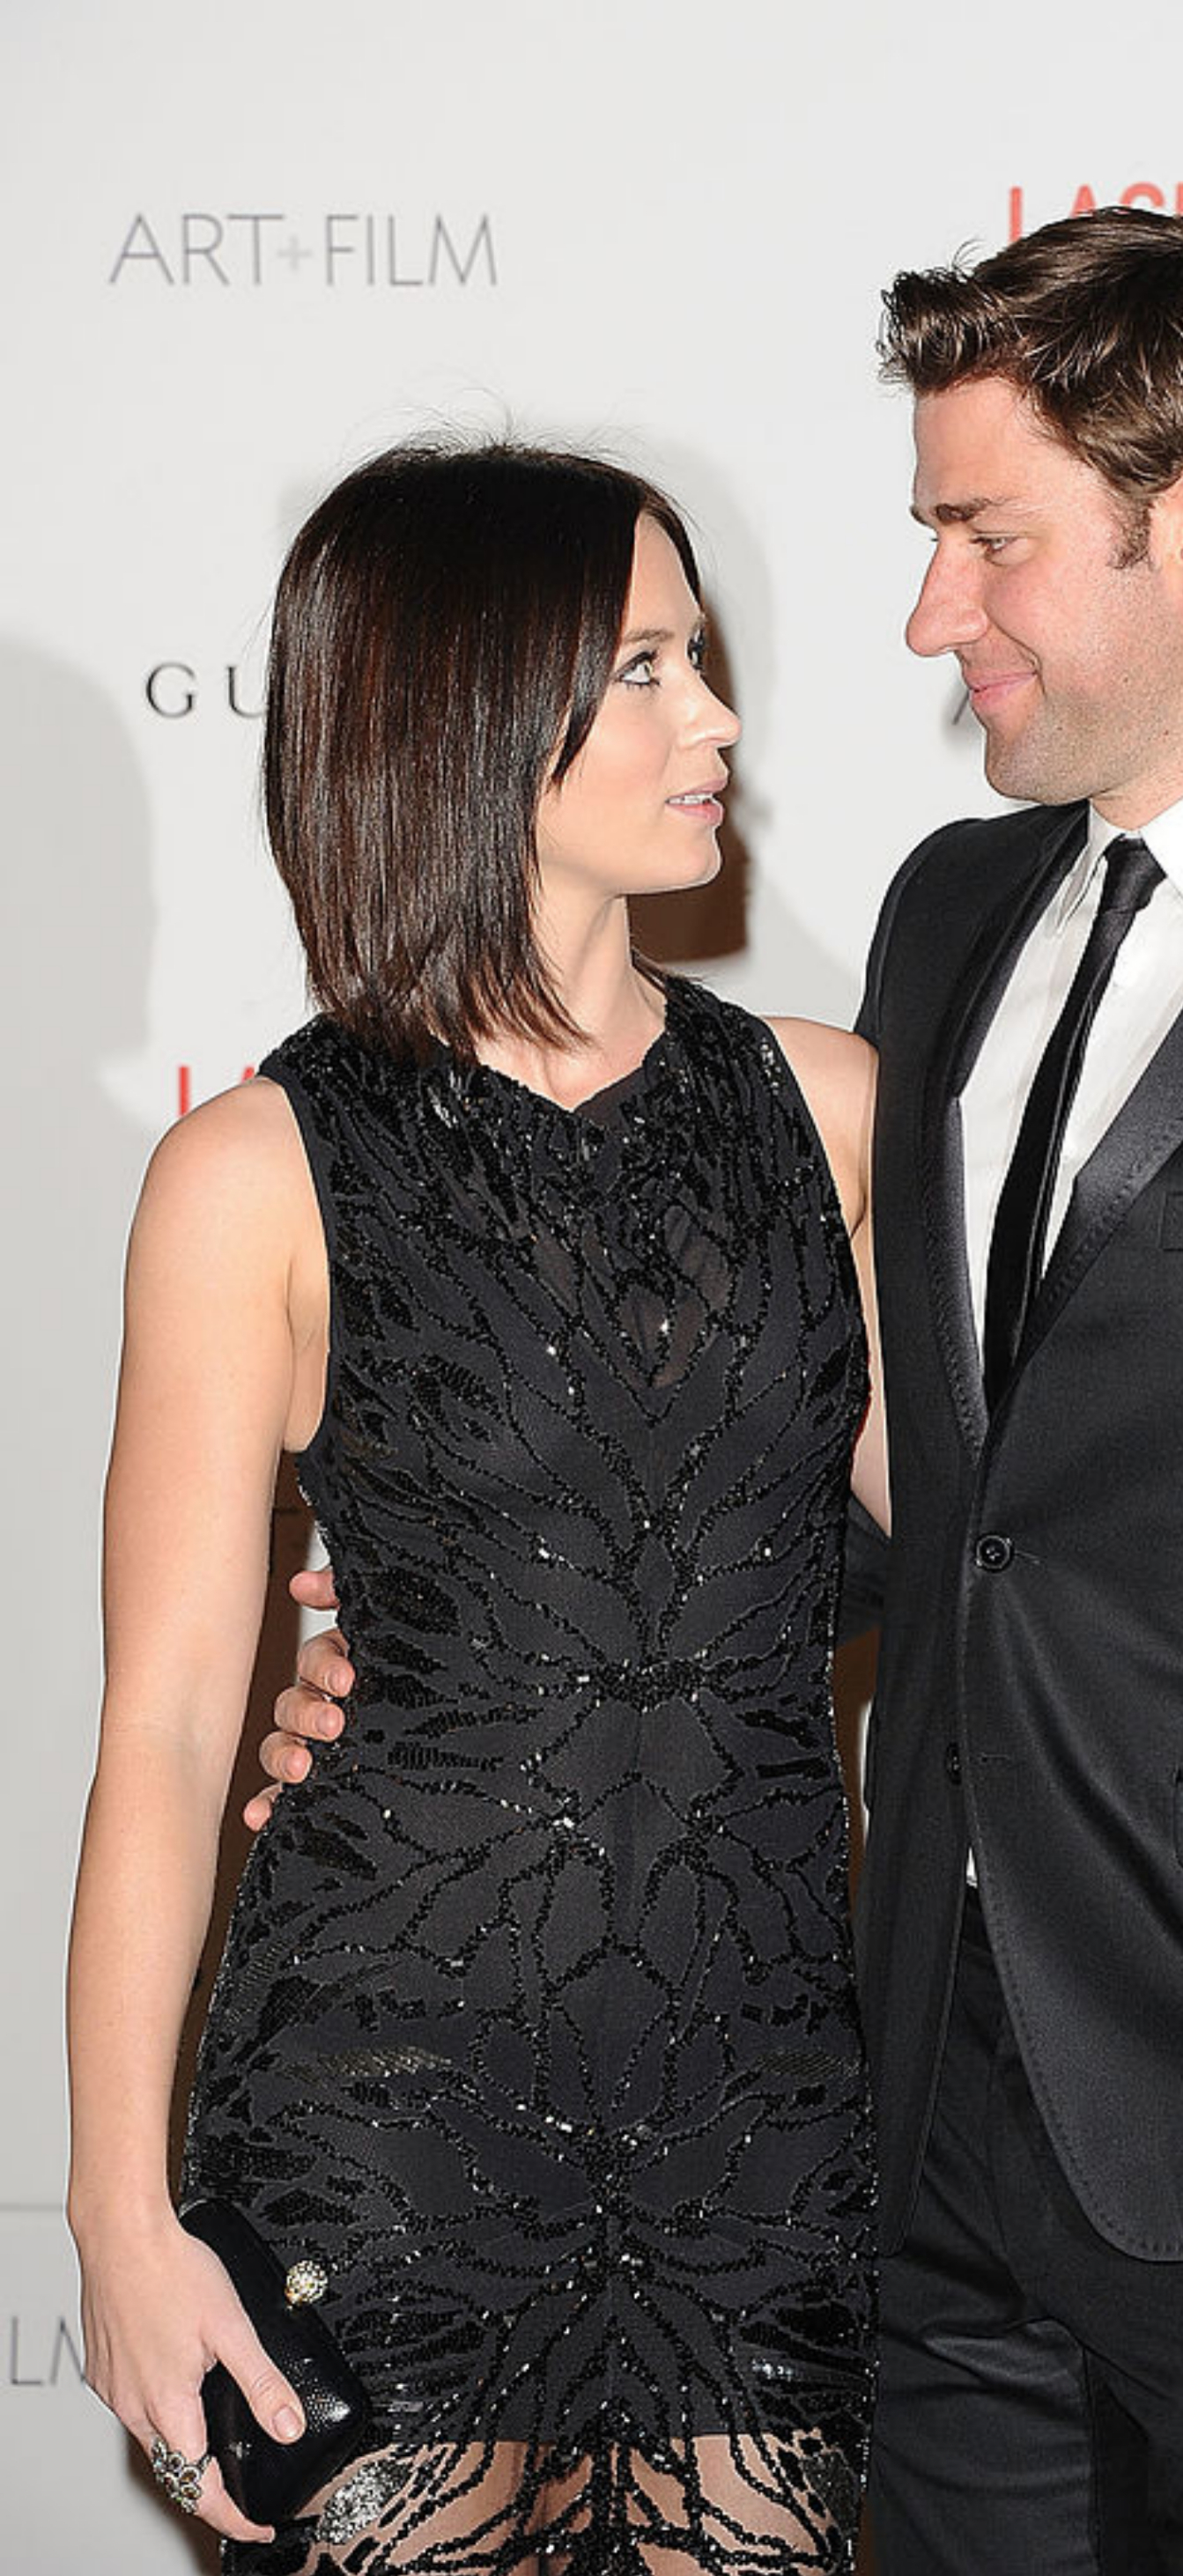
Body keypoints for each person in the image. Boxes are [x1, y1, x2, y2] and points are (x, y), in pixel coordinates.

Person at [252, 210, 1183, 2574]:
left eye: (986, 537)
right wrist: (470, 1654)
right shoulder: (955, 916)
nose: (929, 614)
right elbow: (936, 1501)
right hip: (925, 2154)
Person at [66, 442, 885, 2573]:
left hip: (770, 2109)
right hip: (385, 2115)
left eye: (699, 657)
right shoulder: (249, 1172)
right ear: (461, 706)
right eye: (640, 666)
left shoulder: (832, 1107)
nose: (715, 723)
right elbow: (160, 1725)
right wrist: (118, 2215)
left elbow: (1009, 1550)